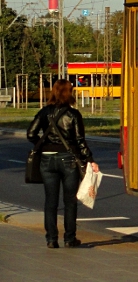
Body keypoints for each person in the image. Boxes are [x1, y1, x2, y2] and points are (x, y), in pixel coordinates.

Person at [26, 80, 99, 248]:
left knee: (50, 201)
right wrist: (90, 160)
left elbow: (31, 133)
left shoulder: (44, 112)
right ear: (69, 93)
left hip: (47, 159)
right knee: (70, 201)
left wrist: (44, 145)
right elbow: (80, 141)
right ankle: (69, 238)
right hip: (68, 159)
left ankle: (51, 239)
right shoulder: (73, 115)